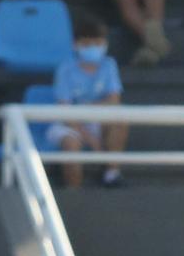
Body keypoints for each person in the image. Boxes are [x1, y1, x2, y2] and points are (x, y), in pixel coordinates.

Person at [50, 14, 130, 189]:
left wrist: (84, 108)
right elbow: (65, 112)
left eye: (98, 43)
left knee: (120, 122)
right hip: (69, 124)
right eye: (87, 44)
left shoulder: (109, 65)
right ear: (76, 45)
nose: (93, 48)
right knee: (71, 146)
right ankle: (74, 193)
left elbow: (114, 101)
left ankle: (111, 173)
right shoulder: (65, 69)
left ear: (105, 44)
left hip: (95, 119)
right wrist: (92, 140)